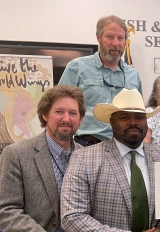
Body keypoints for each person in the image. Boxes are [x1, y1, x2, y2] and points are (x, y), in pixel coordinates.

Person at [61, 89, 160, 232]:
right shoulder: (84, 158)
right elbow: (72, 216)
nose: (133, 122)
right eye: (124, 117)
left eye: (139, 117)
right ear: (111, 121)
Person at [0, 85, 85, 232]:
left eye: (73, 113)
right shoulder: (16, 154)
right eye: (59, 111)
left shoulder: (87, 156)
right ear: (45, 115)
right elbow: (5, 210)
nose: (66, 118)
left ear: (80, 119)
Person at [59, 15, 142, 147]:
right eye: (110, 37)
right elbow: (60, 107)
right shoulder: (77, 68)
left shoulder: (133, 75)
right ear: (98, 37)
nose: (116, 43)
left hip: (124, 148)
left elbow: (139, 115)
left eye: (120, 38)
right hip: (87, 145)